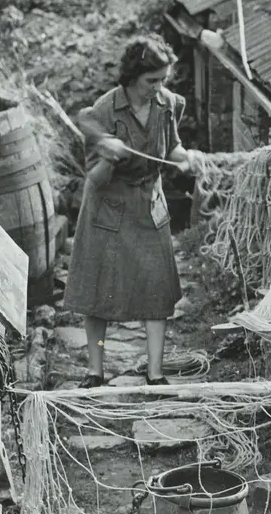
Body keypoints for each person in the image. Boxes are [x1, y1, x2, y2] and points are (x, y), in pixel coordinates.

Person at [65, 34, 203, 388]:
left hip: (148, 207)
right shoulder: (102, 112)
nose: (158, 88)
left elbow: (170, 148)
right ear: (131, 77)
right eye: (150, 81)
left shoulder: (168, 104)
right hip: (107, 210)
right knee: (97, 296)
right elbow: (94, 179)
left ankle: (155, 374)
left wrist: (188, 159)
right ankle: (96, 371)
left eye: (163, 80)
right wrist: (108, 156)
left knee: (155, 291)